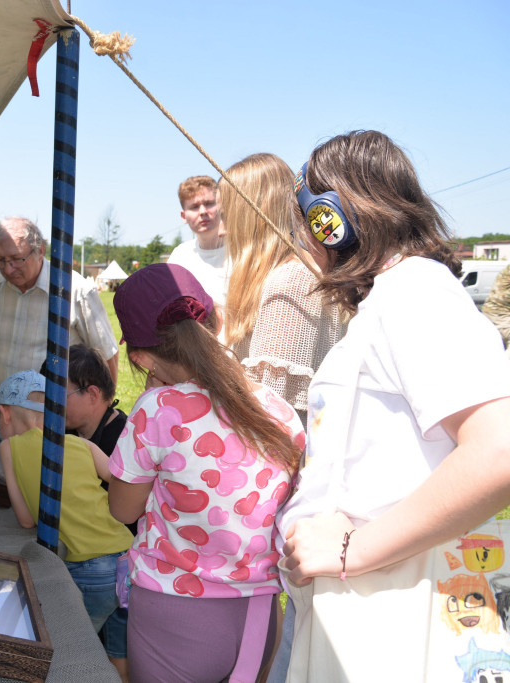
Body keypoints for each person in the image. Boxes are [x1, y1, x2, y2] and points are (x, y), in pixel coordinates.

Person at [277, 130, 510, 680]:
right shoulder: (394, 300)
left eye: (306, 223)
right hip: (368, 606)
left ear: (329, 220)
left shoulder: (415, 295)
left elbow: (499, 450)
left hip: (392, 613)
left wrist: (355, 551)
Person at [107, 263, 305, 683]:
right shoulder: (279, 411)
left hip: (173, 610)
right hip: (261, 612)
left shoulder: (157, 409)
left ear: (140, 356)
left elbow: (123, 510)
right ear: (214, 321)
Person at [218, 152, 347, 681]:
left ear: (252, 212)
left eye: (230, 211)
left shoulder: (288, 282)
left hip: (284, 484)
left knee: (281, 631)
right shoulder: (299, 274)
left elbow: (272, 413)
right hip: (308, 479)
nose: (224, 225)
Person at [0, 371, 133, 644]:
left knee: (71, 646)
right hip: (128, 557)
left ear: (5, 413)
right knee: (118, 649)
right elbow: (122, 477)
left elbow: (25, 519)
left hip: (89, 566)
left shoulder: (8, 448)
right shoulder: (83, 444)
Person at [0, 217, 119, 445]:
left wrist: (99, 421)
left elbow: (107, 356)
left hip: (62, 421)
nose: (8, 269)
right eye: (0, 260)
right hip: (10, 418)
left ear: (41, 251)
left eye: (17, 259)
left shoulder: (75, 290)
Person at [65, 343, 131, 681]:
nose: (51, 404)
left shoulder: (125, 440)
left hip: (120, 567)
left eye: (60, 394)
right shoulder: (68, 433)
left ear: (92, 393)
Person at [167, 175, 228, 308]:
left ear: (222, 206)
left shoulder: (244, 251)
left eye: (209, 203)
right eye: (194, 206)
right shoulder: (179, 256)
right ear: (183, 216)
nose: (203, 211)